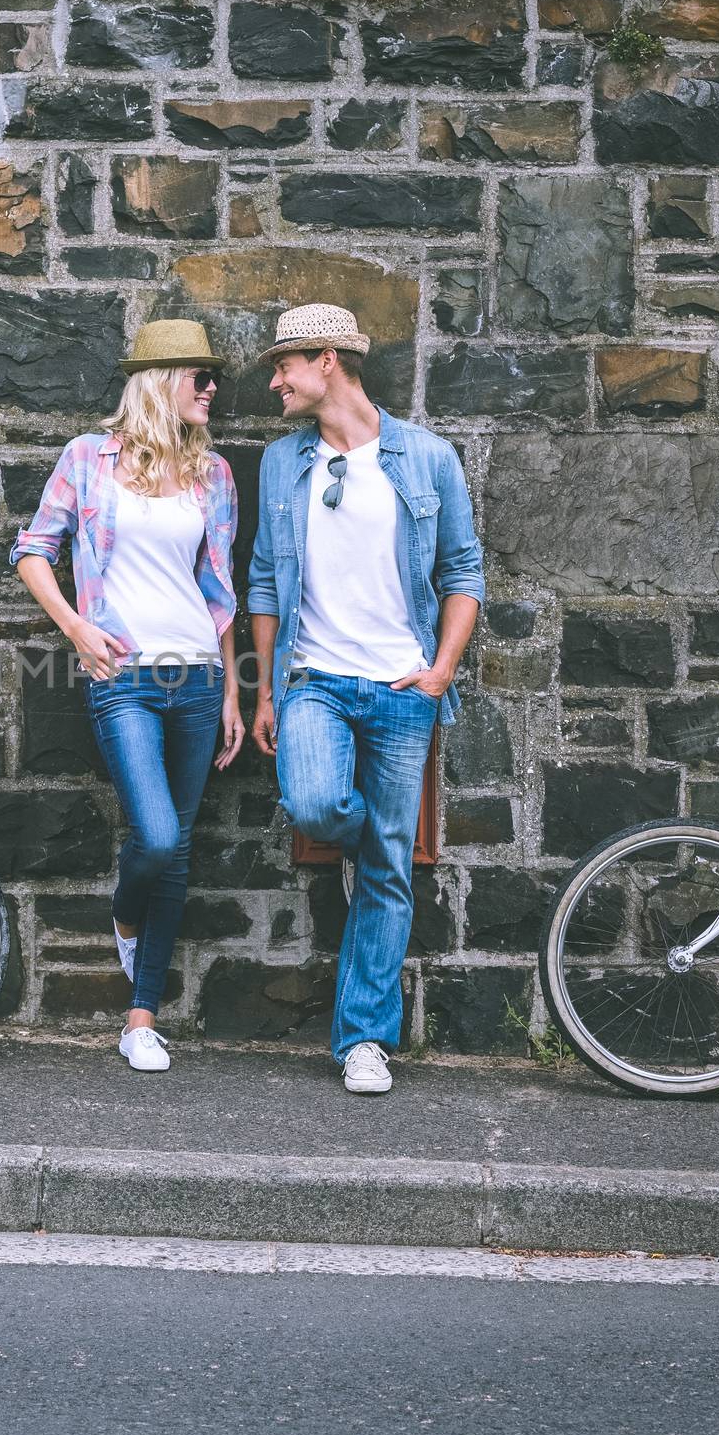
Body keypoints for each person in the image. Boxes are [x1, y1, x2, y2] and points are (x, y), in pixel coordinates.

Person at [247, 303, 484, 1095]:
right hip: (312, 680)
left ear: (329, 362)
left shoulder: (426, 458)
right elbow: (262, 582)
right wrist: (265, 686)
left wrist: (442, 669)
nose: (275, 380)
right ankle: (368, 840)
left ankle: (364, 1042)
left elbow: (462, 574)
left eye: (285, 364)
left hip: (401, 688)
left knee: (388, 869)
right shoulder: (284, 464)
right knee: (316, 804)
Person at [11, 319, 245, 1073]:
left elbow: (223, 592)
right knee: (156, 838)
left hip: (200, 679)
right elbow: (32, 550)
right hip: (125, 677)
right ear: (158, 381)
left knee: (176, 856)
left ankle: (141, 1019)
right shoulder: (87, 459)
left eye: (213, 379)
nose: (211, 389)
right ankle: (123, 910)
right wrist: (77, 628)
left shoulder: (215, 476)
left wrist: (235, 692)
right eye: (198, 377)